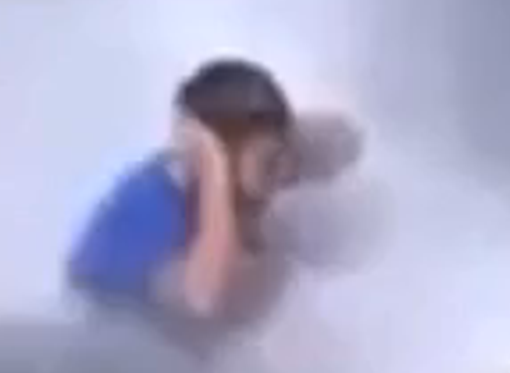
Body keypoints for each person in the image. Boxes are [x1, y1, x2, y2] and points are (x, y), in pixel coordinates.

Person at [63, 57, 360, 338]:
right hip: (136, 335)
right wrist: (212, 168)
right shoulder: (149, 206)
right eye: (269, 162)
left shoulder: (261, 173)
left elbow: (339, 138)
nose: (282, 173)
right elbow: (200, 298)